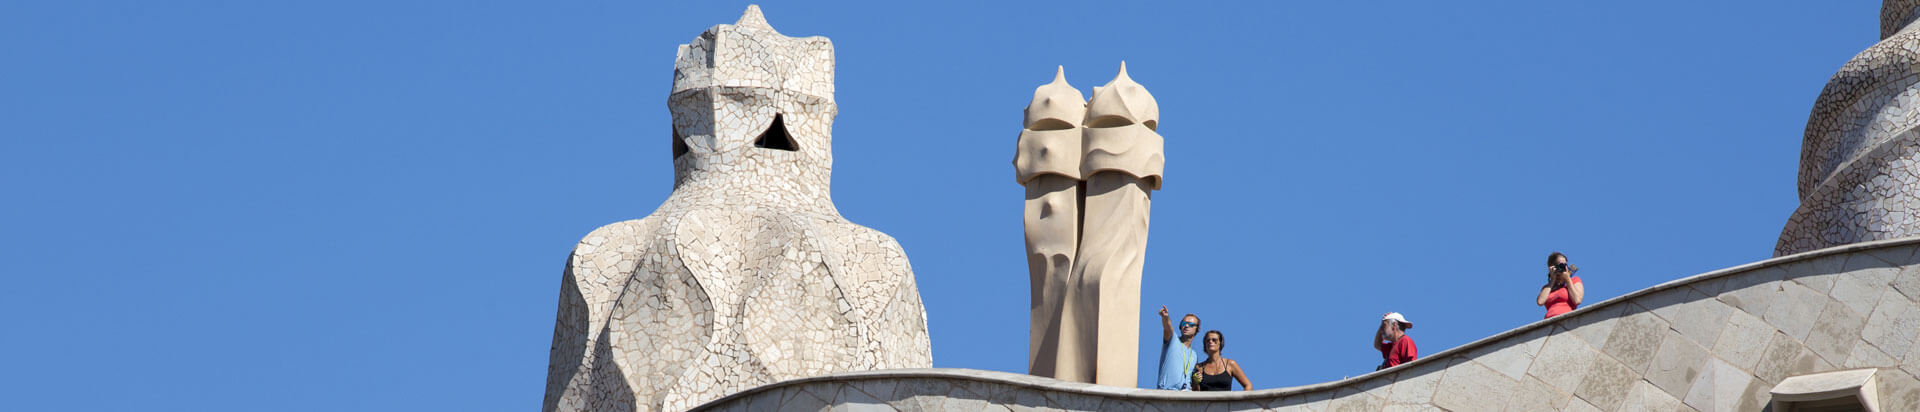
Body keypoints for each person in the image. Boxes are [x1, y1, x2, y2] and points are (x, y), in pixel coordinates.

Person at [1154, 306, 1201, 390]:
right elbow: (1168, 328)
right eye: (1183, 323)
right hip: (1167, 392)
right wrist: (1165, 317)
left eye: (1190, 324)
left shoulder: (1194, 355)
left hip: (1185, 396)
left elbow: (1194, 384)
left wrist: (1196, 380)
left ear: (1197, 329)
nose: (1186, 326)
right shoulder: (1173, 339)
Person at [1535, 251, 1584, 319]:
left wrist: (1567, 279)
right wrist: (1552, 280)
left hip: (1567, 319)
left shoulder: (1574, 280)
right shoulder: (1548, 287)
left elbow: (1577, 300)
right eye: (1559, 265)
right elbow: (1540, 302)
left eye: (1564, 265)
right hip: (1549, 321)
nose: (1562, 267)